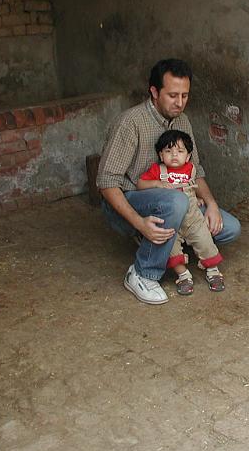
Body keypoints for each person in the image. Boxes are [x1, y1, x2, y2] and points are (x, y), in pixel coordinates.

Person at [96, 58, 241, 305]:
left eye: (185, 95)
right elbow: (106, 182)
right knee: (175, 201)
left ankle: (172, 239)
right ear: (154, 92)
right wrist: (140, 223)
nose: (180, 102)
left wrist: (212, 204)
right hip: (131, 202)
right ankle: (142, 272)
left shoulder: (182, 121)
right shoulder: (130, 122)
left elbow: (196, 170)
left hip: (179, 199)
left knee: (229, 228)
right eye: (173, 95)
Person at [137, 129, 224, 296]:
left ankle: (213, 271)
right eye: (168, 151)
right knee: (170, 246)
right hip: (171, 221)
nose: (174, 155)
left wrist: (197, 199)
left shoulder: (190, 169)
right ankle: (183, 275)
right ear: (161, 156)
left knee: (204, 239)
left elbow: (193, 187)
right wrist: (156, 184)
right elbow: (140, 184)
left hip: (192, 219)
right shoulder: (157, 170)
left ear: (188, 156)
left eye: (180, 151)